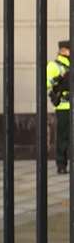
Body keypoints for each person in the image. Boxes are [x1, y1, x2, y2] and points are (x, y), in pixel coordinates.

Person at [49, 38, 71, 174]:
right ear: (63, 50)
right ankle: (61, 164)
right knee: (63, 136)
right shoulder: (54, 66)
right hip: (63, 107)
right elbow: (48, 85)